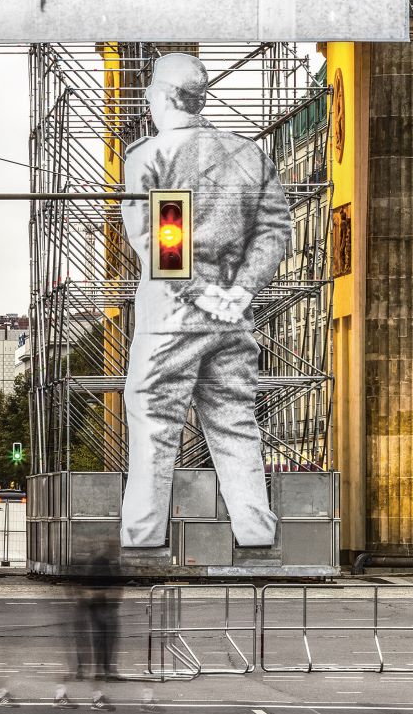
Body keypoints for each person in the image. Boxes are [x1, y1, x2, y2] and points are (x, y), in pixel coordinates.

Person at [118, 52, 293, 560]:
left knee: (154, 423)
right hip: (234, 320)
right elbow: (273, 231)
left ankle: (143, 539)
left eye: (150, 91)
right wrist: (240, 291)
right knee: (236, 423)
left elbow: (161, 239)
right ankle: (257, 536)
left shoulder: (153, 156)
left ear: (164, 96)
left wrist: (202, 292)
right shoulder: (250, 155)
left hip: (172, 320)